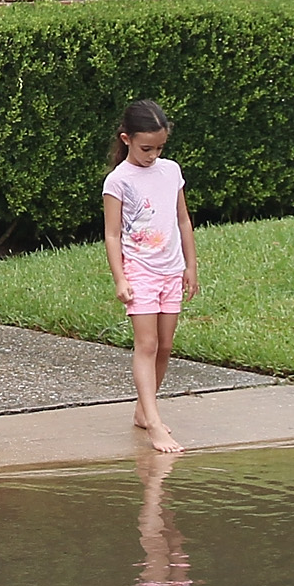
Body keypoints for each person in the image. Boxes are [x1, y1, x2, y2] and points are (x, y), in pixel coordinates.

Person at [103, 98, 200, 454]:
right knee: (146, 345)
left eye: (159, 148)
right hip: (140, 272)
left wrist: (190, 265)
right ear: (126, 139)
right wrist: (120, 278)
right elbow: (112, 234)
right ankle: (155, 424)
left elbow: (183, 220)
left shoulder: (171, 171)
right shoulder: (118, 181)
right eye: (146, 148)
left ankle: (144, 410)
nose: (153, 155)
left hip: (171, 270)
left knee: (165, 345)